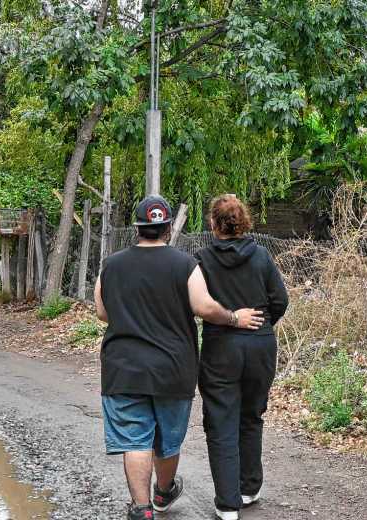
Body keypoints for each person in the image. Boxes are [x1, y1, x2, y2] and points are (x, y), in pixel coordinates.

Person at [94, 195, 265, 520]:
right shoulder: (186, 265)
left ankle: (142, 509)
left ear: (137, 228)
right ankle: (163, 492)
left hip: (123, 370)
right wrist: (234, 318)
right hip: (173, 370)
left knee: (136, 440)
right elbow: (204, 307)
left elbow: (102, 312)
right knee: (167, 440)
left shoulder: (111, 265)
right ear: (169, 228)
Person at [195, 194, 289, 520]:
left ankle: (227, 504)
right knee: (251, 415)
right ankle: (249, 487)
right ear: (244, 221)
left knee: (221, 421)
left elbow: (195, 303)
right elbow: (280, 300)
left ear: (213, 223)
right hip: (260, 345)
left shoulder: (201, 260)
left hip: (220, 346)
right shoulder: (261, 256)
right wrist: (262, 325)